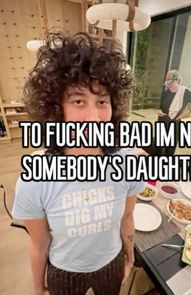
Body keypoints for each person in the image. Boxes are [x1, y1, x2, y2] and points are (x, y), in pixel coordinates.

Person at [12, 32, 144, 295]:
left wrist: (129, 254)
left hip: (112, 263)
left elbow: (127, 217)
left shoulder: (128, 162)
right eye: (78, 101)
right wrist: (38, 288)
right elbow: (39, 245)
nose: (94, 117)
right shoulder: (35, 178)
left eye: (102, 101)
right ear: (56, 108)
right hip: (65, 270)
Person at [157, 69, 191, 156]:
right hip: (162, 122)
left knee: (169, 150)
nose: (167, 83)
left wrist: (187, 114)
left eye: (170, 81)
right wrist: (159, 111)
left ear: (176, 80)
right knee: (159, 147)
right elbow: (160, 107)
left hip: (175, 124)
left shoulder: (184, 92)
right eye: (166, 81)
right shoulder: (165, 93)